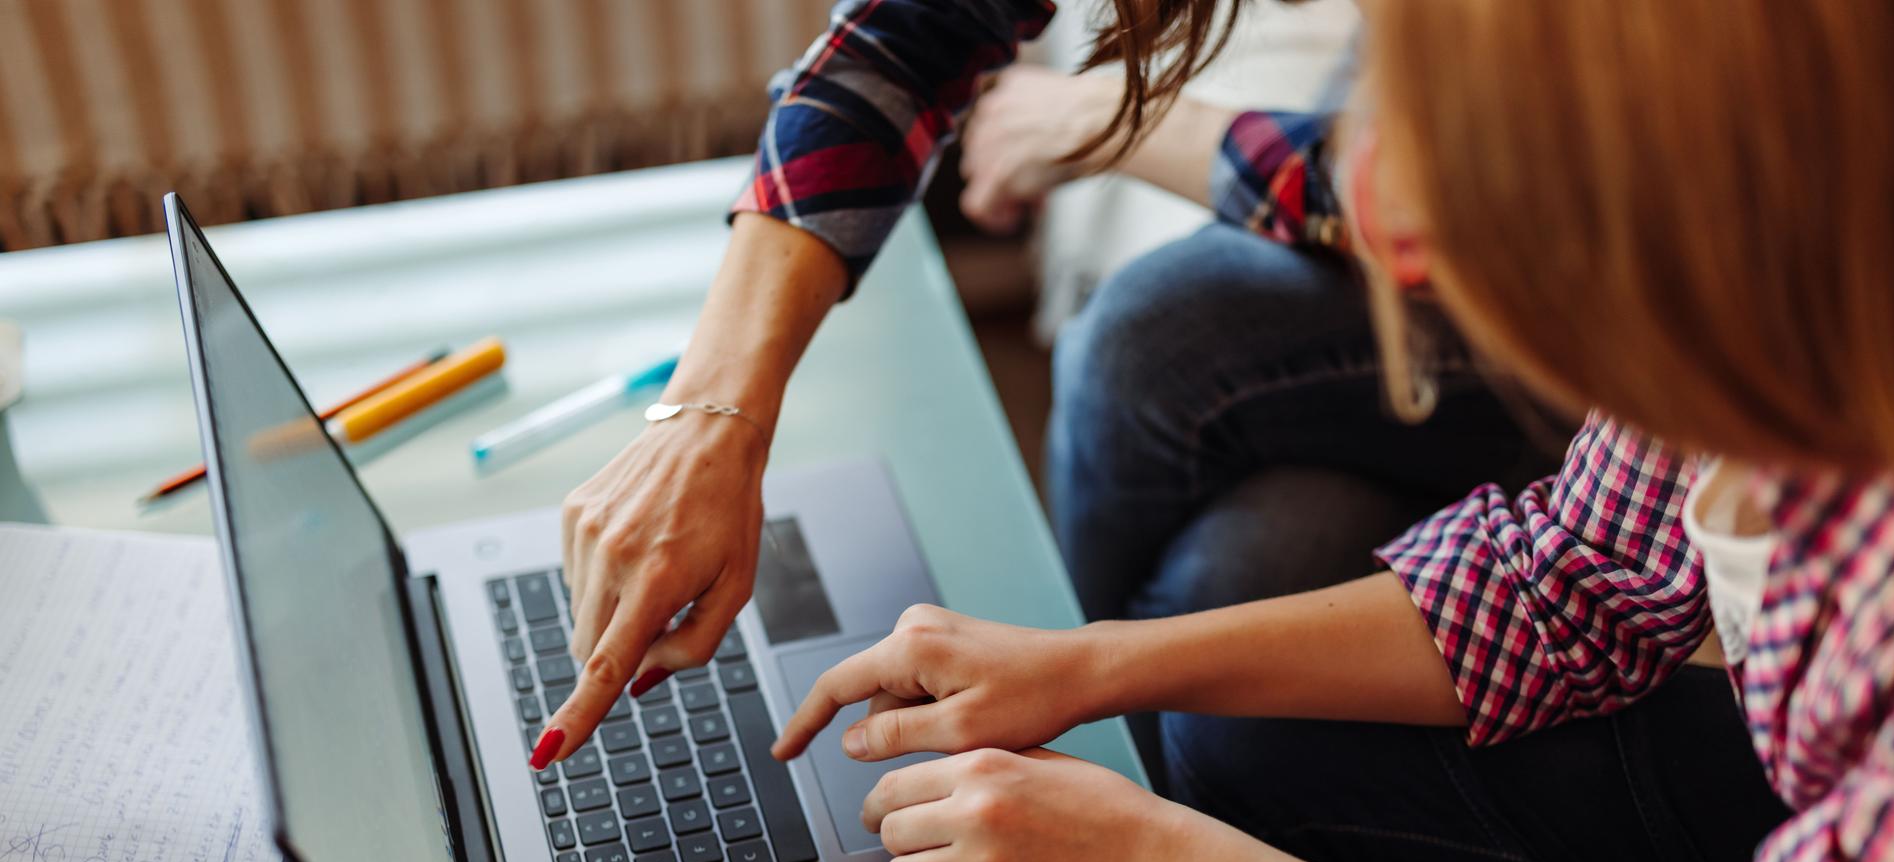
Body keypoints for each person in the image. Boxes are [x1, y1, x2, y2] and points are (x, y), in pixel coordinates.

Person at [767, 1, 1894, 862]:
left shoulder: (1892, 573)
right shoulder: (1776, 258)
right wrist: (1090, 663)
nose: (1384, 218)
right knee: (1249, 729)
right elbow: (1572, 579)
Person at [529, 0, 1554, 777]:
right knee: (1261, 553)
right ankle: (1118, 818)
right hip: (1466, 175)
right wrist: (714, 415)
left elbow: (1436, 187)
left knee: (1159, 332)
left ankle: (1094, 788)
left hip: (1581, 240)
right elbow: (908, 33)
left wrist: (1105, 115)